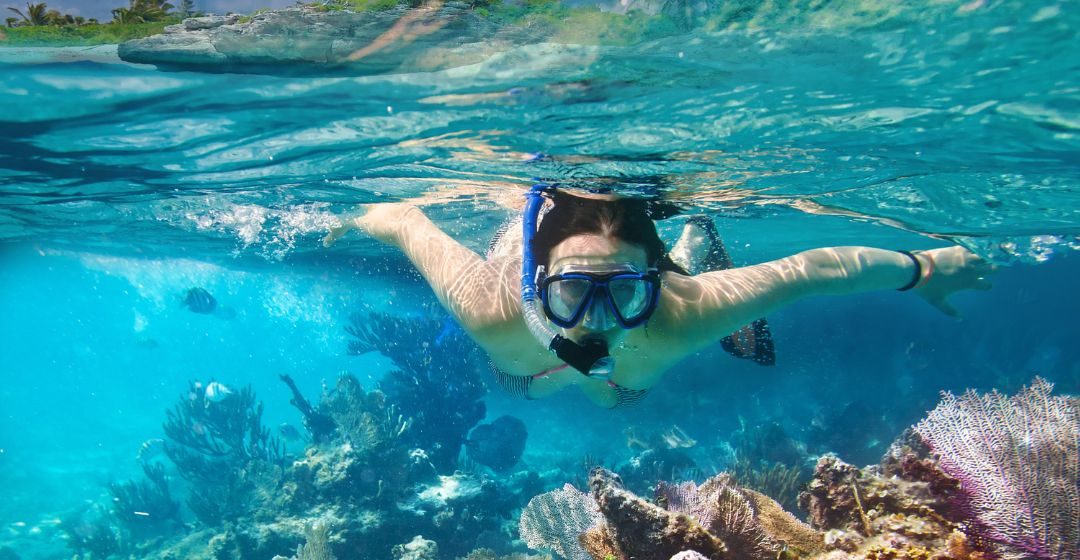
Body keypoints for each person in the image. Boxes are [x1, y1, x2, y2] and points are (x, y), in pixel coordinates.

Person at [324, 185, 995, 409]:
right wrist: (352, 220)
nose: (596, 321)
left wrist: (924, 267)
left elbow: (812, 269)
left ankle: (691, 249)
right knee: (540, 381)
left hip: (639, 334)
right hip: (526, 369)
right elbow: (407, 218)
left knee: (613, 391)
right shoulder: (491, 309)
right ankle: (691, 250)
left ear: (655, 283)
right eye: (573, 293)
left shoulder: (680, 313)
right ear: (536, 286)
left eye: (622, 294)